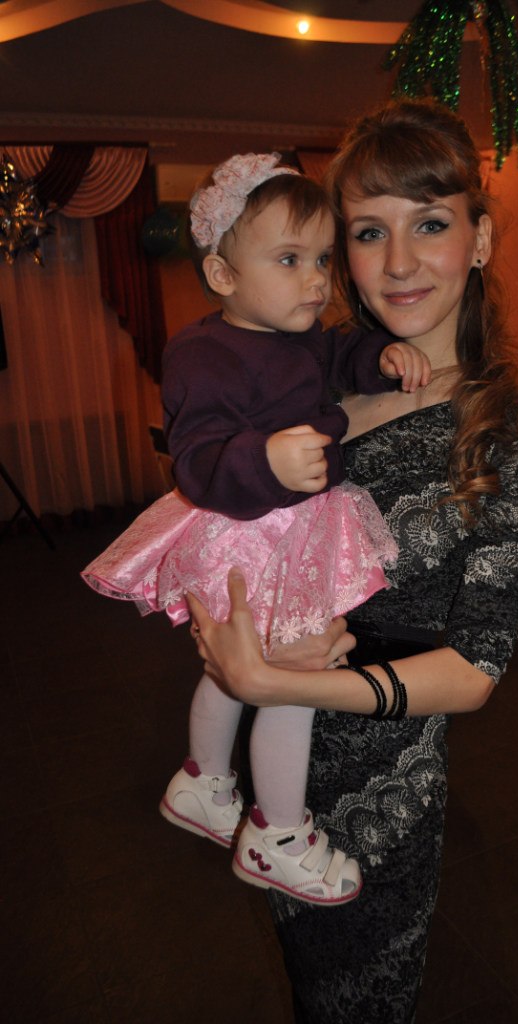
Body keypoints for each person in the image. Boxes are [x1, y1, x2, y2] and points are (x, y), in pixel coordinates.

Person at [184, 99, 518, 1023]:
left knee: (360, 1001)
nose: (398, 263)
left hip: (378, 788)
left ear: (479, 238)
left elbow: (475, 670)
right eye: (367, 232)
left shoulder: (515, 427)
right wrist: (227, 639)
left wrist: (274, 681)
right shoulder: (305, 385)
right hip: (272, 774)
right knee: (307, 987)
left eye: (429, 224)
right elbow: (218, 533)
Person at [82, 153, 432, 906]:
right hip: (253, 530)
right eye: (289, 260)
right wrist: (263, 457)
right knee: (289, 684)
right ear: (222, 275)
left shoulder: (304, 334)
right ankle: (277, 835)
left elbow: (343, 351)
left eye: (322, 260)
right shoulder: (202, 353)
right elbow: (196, 460)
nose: (316, 281)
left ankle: (204, 783)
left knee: (235, 670)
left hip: (291, 528)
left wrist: (382, 353)